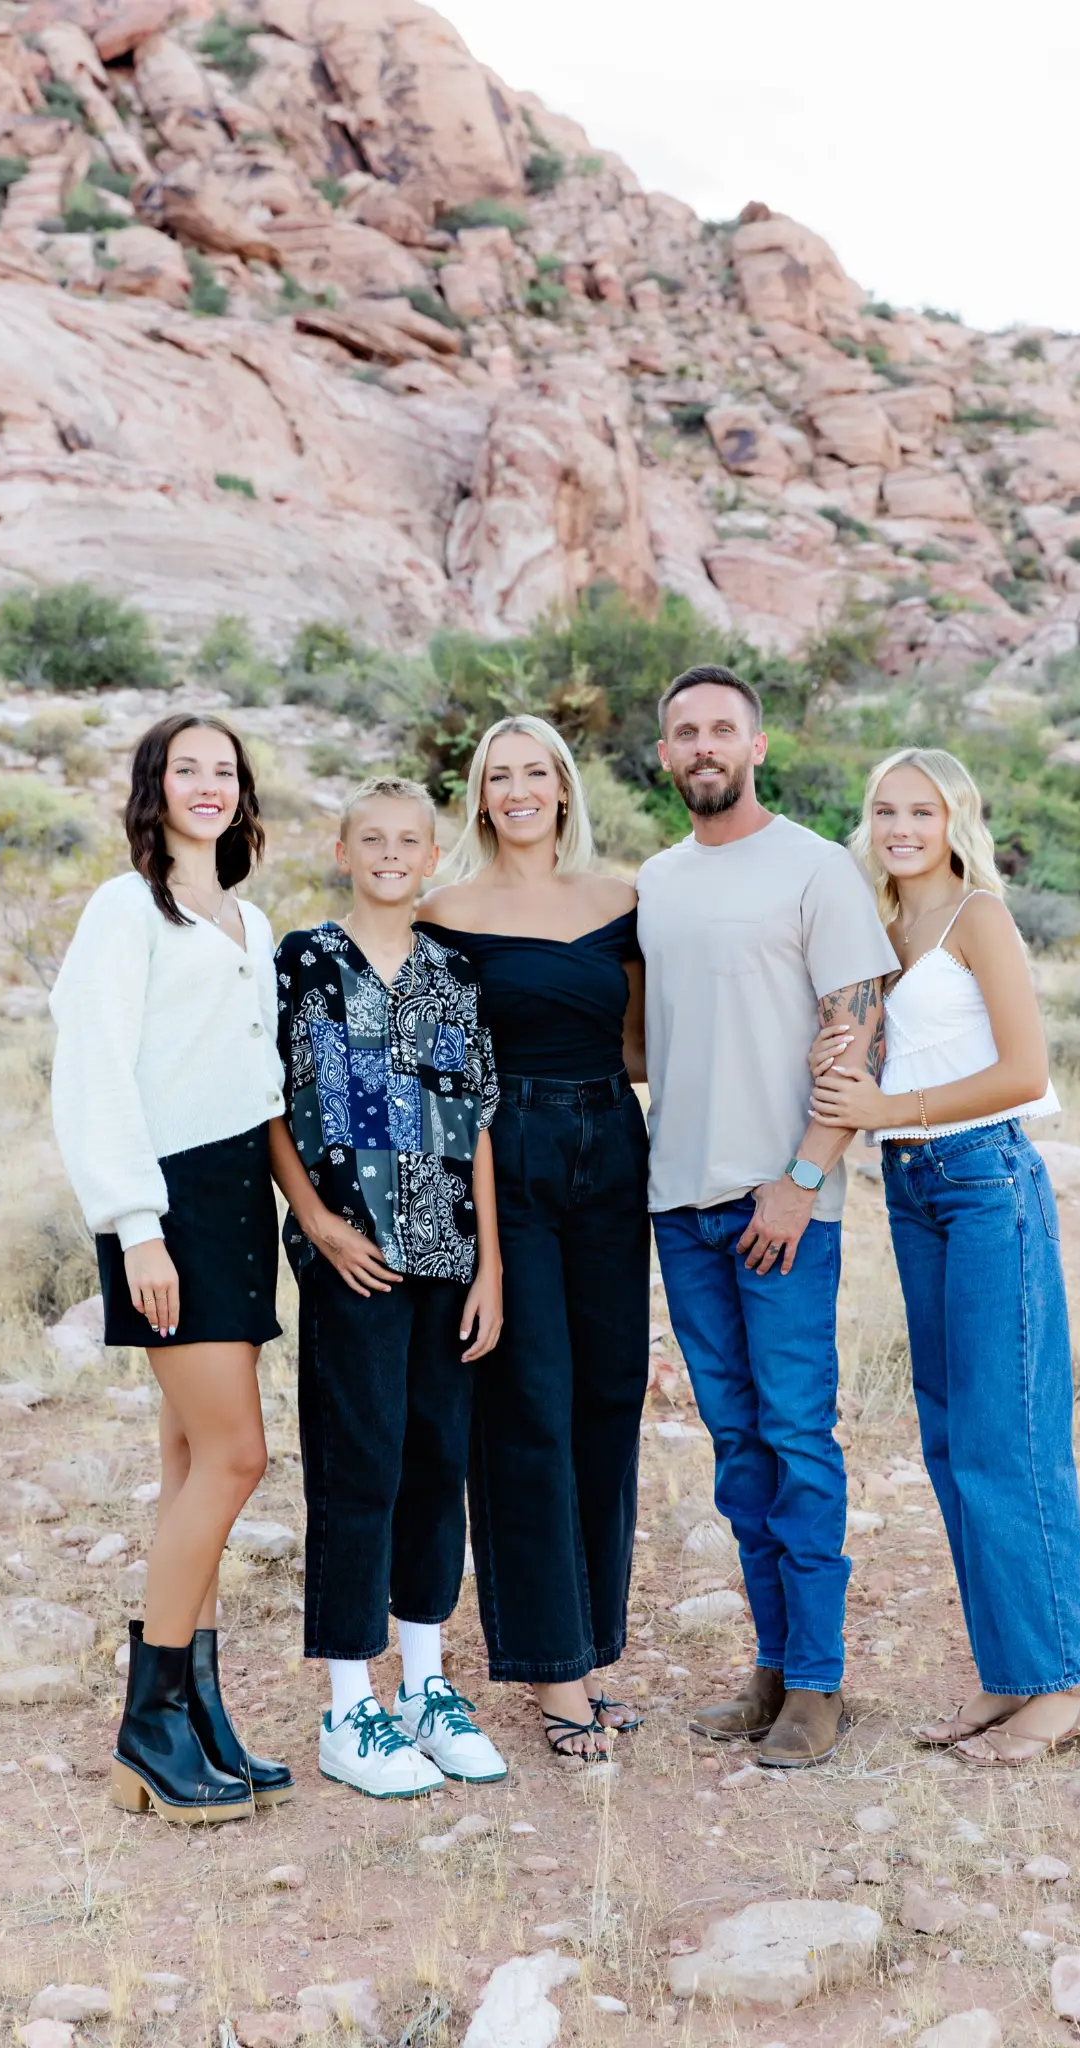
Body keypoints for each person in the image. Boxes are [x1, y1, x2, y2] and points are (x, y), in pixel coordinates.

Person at [809, 746, 1080, 1764]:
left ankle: (1063, 1682)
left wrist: (893, 1107)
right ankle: (1010, 1671)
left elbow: (1024, 1070)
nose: (899, 827)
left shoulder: (979, 917)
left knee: (1007, 1436)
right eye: (884, 808)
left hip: (986, 1183)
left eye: (921, 811)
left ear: (954, 820)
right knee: (949, 1442)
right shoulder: (881, 930)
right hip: (914, 1191)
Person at [636, 665, 897, 1769]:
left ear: (758, 745)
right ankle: (773, 1664)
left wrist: (802, 1177)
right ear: (665, 754)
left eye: (722, 730)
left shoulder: (815, 867)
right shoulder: (653, 879)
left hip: (781, 1201)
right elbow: (646, 1040)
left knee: (797, 1434)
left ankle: (821, 1684)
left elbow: (861, 1032)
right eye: (684, 730)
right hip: (680, 1204)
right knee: (737, 1444)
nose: (704, 745)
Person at [50, 713, 292, 1824]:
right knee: (237, 1456)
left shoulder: (252, 918)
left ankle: (193, 1708)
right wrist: (135, 1224)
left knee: (192, 1457)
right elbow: (93, 1066)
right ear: (155, 788)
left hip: (240, 1193)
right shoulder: (125, 907)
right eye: (185, 769)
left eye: (224, 771)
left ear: (243, 797)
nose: (207, 785)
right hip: (170, 1203)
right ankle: (149, 1722)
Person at [418, 715, 649, 1766]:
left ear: (563, 787)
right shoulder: (445, 912)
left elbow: (645, 1037)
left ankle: (592, 1644)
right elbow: (432, 1075)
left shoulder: (623, 900)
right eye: (496, 776)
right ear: (479, 796)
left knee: (609, 1393)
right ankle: (553, 1668)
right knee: (529, 1401)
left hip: (612, 1137)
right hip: (503, 1150)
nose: (517, 790)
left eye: (534, 772)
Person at [270, 777, 507, 1799]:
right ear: (342, 847)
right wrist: (319, 1223)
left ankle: (423, 1683)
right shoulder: (306, 959)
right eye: (373, 837)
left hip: (447, 1251)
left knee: (433, 1460)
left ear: (433, 855)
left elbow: (476, 1120)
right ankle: (348, 1703)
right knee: (357, 1462)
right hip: (351, 1251)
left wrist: (491, 1261)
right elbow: (271, 1100)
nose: (392, 851)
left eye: (410, 838)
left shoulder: (454, 970)